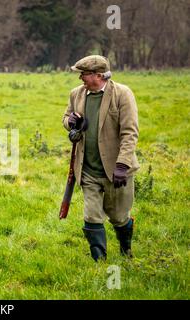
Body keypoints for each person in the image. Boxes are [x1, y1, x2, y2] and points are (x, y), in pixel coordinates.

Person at [62, 55, 139, 261]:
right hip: (87, 168)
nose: (81, 79)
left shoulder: (122, 94)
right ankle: (99, 262)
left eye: (84, 74)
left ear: (99, 75)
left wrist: (122, 164)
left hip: (116, 170)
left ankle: (126, 250)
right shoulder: (76, 94)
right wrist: (71, 123)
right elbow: (66, 118)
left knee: (119, 217)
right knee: (91, 216)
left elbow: (129, 133)